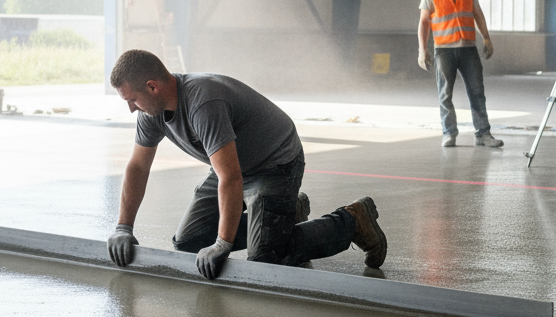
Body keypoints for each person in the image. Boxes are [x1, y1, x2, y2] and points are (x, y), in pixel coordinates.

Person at [106, 49, 387, 280]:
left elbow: (231, 179)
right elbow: (138, 168)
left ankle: (353, 221)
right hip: (233, 165)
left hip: (274, 162)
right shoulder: (150, 112)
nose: (131, 108)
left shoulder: (203, 103)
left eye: (132, 100)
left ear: (152, 86)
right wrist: (123, 228)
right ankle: (282, 214)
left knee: (264, 258)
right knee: (188, 243)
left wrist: (223, 244)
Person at [417, 0, 504, 148]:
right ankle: (448, 133)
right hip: (443, 50)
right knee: (445, 94)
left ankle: (483, 134)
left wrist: (487, 38)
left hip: (468, 49)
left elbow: (477, 13)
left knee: (477, 92)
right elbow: (423, 23)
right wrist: (423, 50)